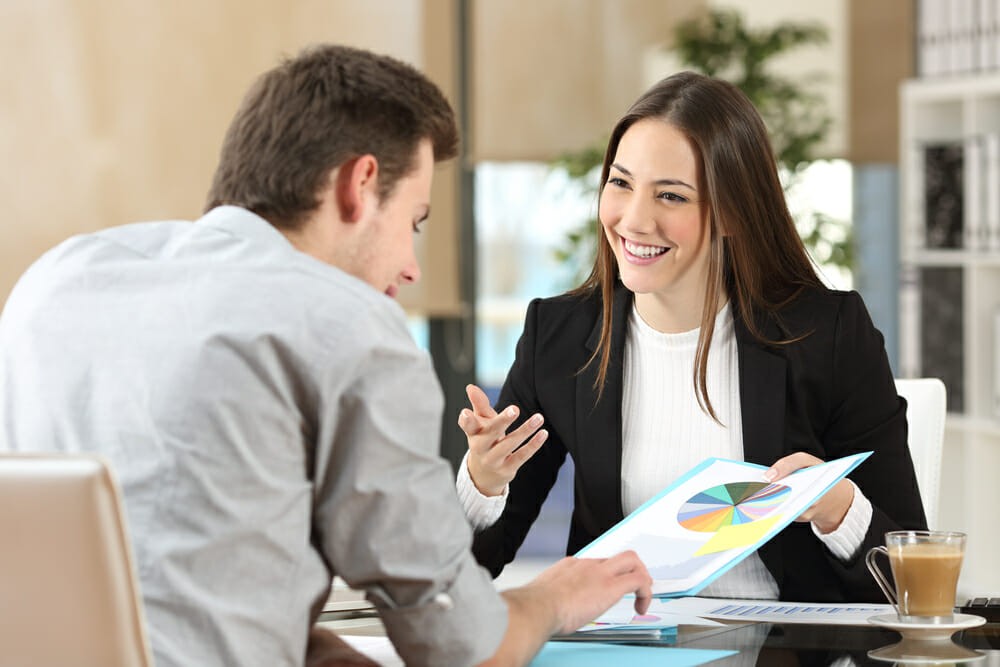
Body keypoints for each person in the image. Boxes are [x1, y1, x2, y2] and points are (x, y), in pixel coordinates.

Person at [0, 44, 652, 667]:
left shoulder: (58, 281)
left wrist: (298, 642)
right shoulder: (348, 326)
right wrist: (555, 596)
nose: (412, 268)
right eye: (414, 221)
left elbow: (156, 574)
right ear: (359, 185)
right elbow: (466, 648)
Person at [456, 70, 927, 603]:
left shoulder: (827, 334)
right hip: (618, 640)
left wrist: (837, 507)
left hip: (785, 642)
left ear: (732, 213)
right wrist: (483, 481)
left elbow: (910, 579)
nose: (634, 220)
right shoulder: (558, 335)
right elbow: (467, 568)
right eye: (621, 183)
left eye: (671, 196)